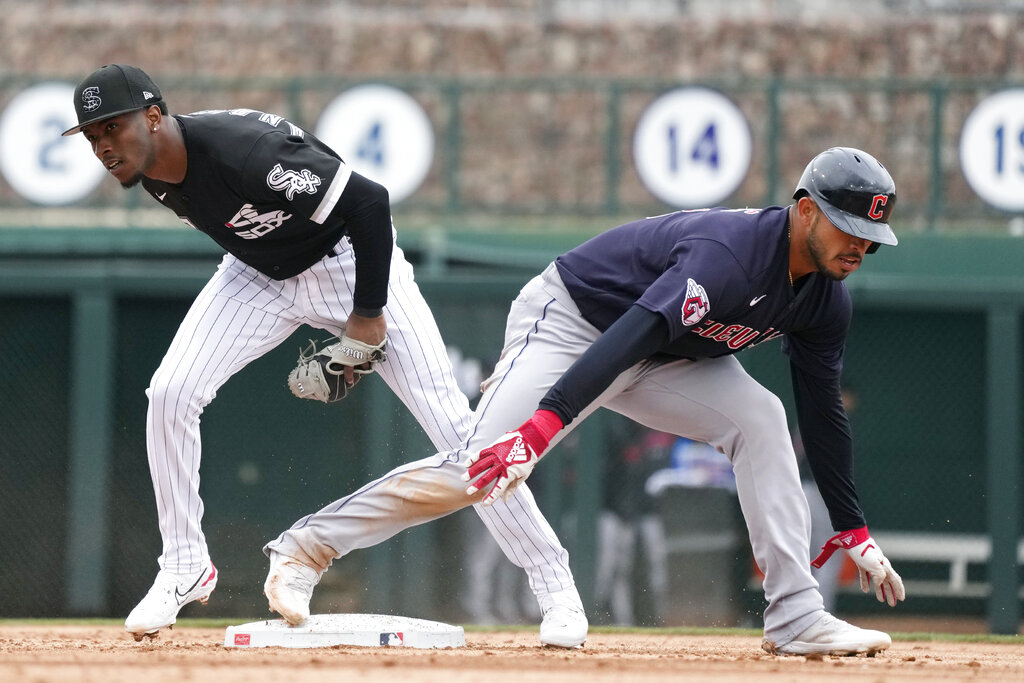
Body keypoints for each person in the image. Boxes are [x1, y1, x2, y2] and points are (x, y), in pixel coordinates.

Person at [63, 64, 587, 647]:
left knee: (463, 436)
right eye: (92, 136)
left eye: (114, 127)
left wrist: (367, 315)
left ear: (154, 115)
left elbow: (368, 202)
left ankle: (555, 587)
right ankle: (185, 565)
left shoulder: (245, 152)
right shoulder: (153, 171)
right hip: (259, 276)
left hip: (350, 263)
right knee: (170, 392)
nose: (104, 145)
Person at [456, 146, 907, 656]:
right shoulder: (732, 255)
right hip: (578, 321)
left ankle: (797, 616)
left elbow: (822, 410)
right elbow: (637, 328)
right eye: (848, 228)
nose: (858, 247)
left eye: (870, 238)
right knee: (476, 461)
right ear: (805, 209)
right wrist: (539, 432)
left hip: (672, 353)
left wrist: (853, 528)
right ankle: (342, 532)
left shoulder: (826, 300)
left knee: (762, 417)